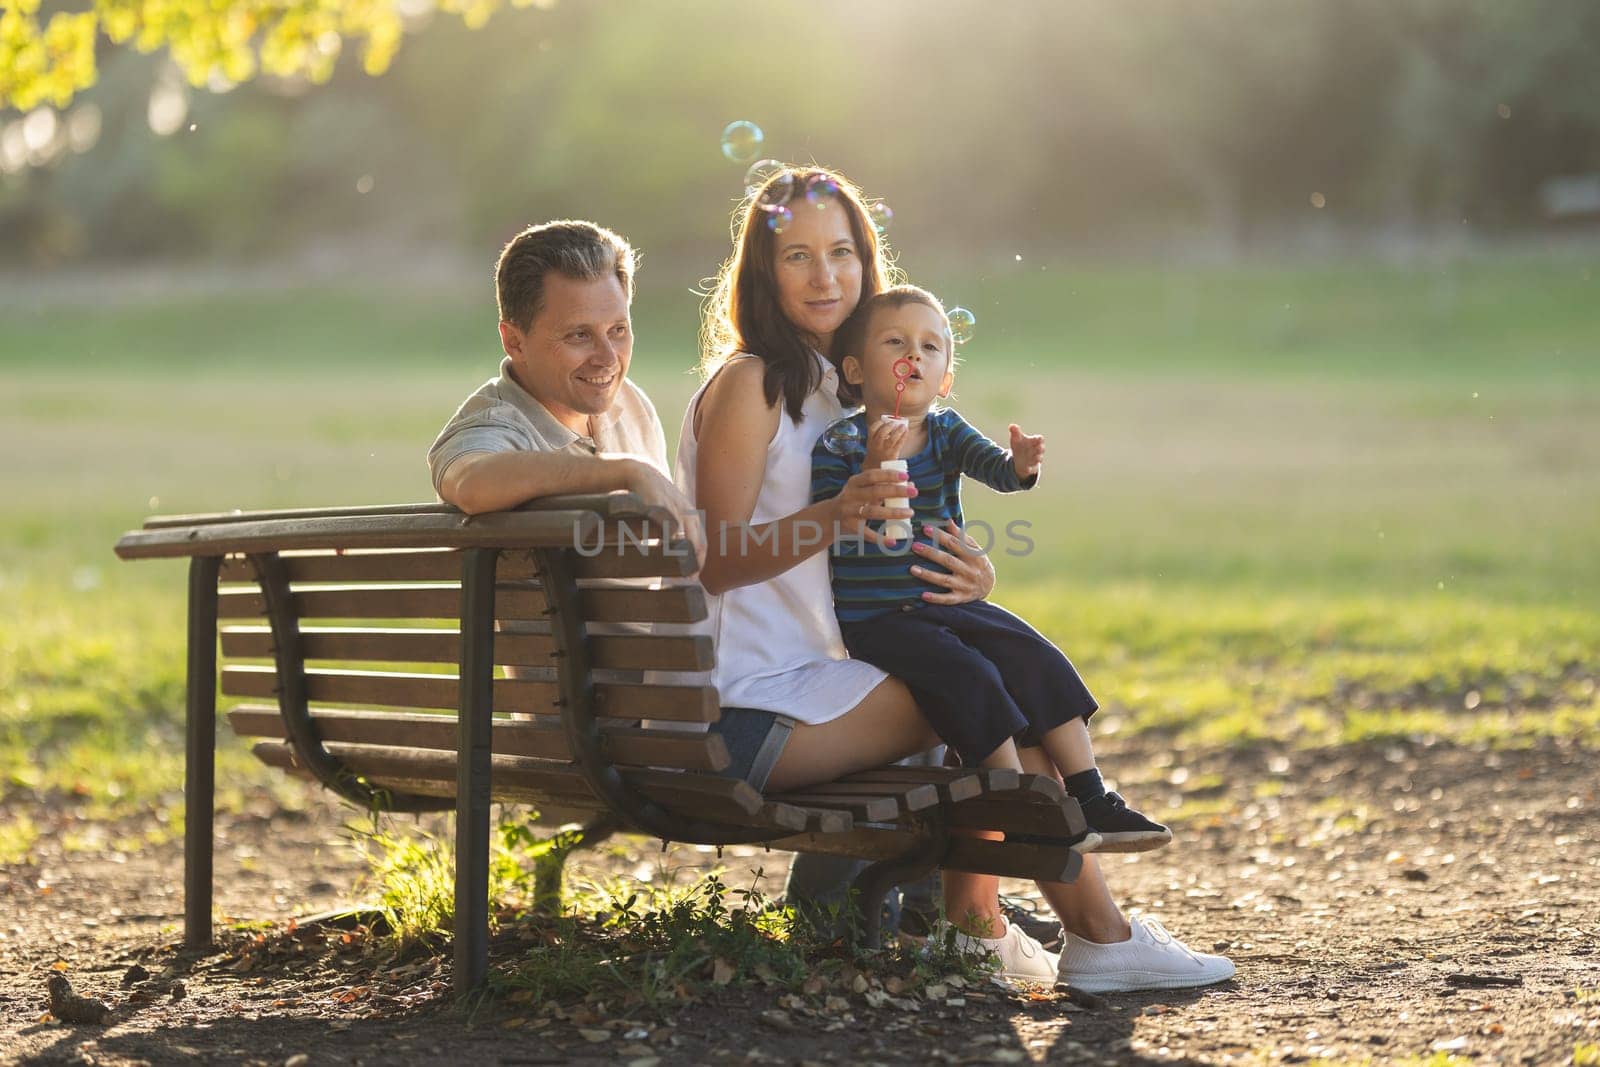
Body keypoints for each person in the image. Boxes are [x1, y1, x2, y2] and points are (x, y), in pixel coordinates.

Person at [681, 164, 1234, 992]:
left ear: (869, 263)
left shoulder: (846, 392)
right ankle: (1095, 936)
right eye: (796, 256)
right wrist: (838, 516)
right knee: (981, 690)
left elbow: (876, 547)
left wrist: (964, 570)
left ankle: (979, 926)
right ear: (762, 272)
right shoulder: (753, 383)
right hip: (747, 708)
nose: (825, 275)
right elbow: (718, 560)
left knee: (973, 663)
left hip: (816, 685)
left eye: (842, 252)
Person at [812, 284, 1171, 853]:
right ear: (855, 368)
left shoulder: (947, 431)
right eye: (896, 342)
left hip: (951, 602)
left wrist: (1021, 466)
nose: (915, 356)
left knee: (1034, 655)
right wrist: (876, 466)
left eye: (932, 348)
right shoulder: (840, 443)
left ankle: (1090, 794)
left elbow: (995, 471)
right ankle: (1024, 803)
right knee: (969, 676)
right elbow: (841, 528)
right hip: (880, 619)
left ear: (945, 379)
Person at [428, 218, 701, 568]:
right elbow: (470, 481)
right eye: (579, 336)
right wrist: (622, 471)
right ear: (514, 341)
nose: (607, 359)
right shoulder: (492, 425)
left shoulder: (631, 404)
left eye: (618, 330)